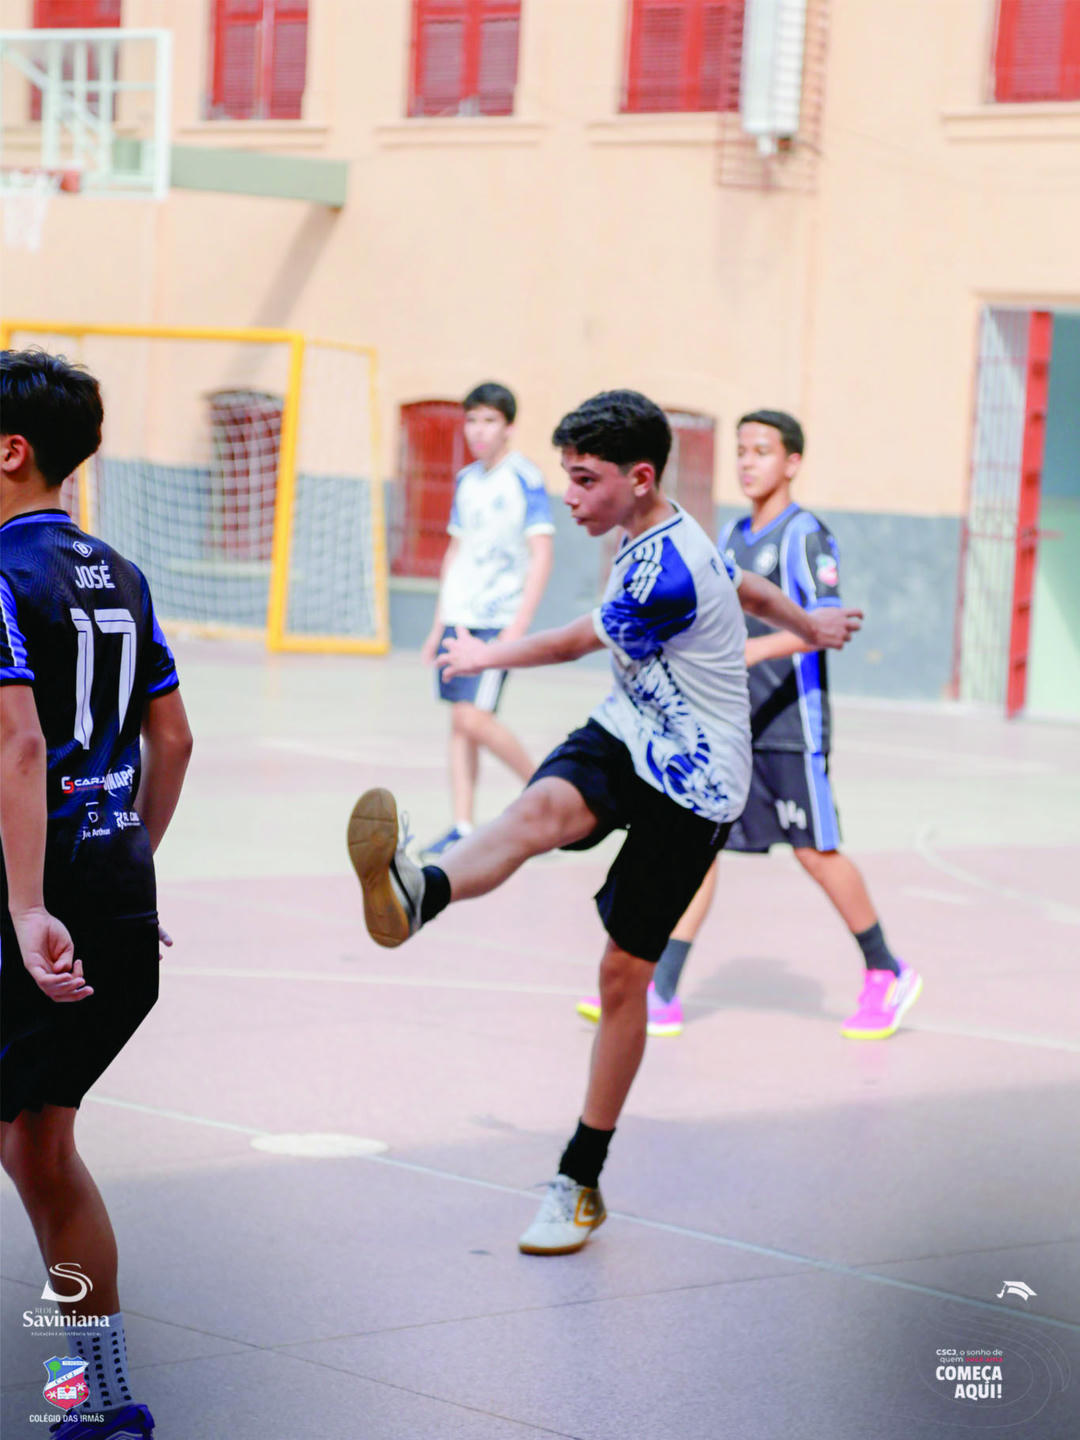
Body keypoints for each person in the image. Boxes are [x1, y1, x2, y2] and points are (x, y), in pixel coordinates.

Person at [347, 391, 860, 1255]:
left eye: (586, 480)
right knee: (536, 810)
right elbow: (747, 585)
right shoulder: (659, 533)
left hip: (696, 782)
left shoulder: (665, 571)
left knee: (622, 977)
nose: (572, 496)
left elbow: (569, 643)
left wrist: (482, 653)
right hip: (631, 729)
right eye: (568, 477)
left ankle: (580, 1179)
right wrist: (808, 623)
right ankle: (417, 894)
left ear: (640, 477)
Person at [577, 409, 921, 1041]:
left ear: (792, 463)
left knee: (815, 851)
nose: (747, 461)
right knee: (698, 850)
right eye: (741, 450)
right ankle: (661, 988)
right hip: (730, 722)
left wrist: (754, 651)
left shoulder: (805, 535)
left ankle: (886, 972)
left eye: (762, 450)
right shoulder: (732, 536)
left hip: (790, 723)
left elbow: (823, 625)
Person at [0, 349, 193, 1439]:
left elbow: (19, 744)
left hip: (28, 913)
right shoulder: (123, 573)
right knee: (41, 1146)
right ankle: (103, 1398)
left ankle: (98, 1393)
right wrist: (127, 860)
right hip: (115, 898)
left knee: (36, 1147)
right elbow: (176, 738)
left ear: (11, 451)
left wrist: (30, 907)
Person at [419, 382, 554, 859]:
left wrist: (518, 626)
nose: (478, 430)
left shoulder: (525, 478)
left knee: (472, 717)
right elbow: (455, 552)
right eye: (472, 420)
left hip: (498, 620)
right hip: (460, 618)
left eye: (489, 421)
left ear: (508, 427)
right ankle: (461, 825)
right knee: (459, 723)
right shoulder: (466, 481)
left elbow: (541, 553)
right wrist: (438, 623)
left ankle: (549, 794)